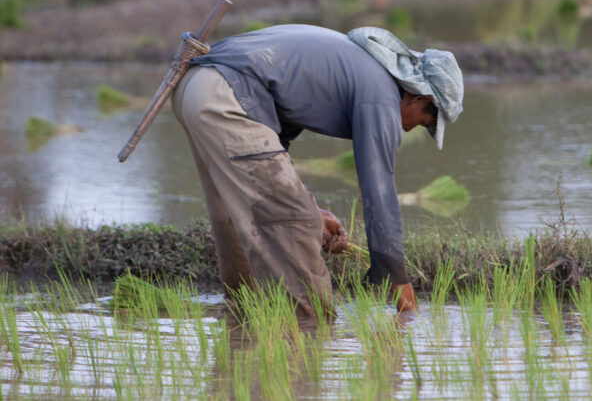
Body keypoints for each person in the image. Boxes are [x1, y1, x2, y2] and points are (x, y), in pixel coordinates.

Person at [171, 24, 463, 316]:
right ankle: (311, 334)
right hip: (228, 96)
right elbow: (380, 192)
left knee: (235, 212)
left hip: (193, 87)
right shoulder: (381, 95)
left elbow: (273, 153)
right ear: (421, 98)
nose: (410, 128)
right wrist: (399, 281)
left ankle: (243, 322)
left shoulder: (352, 66)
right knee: (292, 228)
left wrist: (312, 214)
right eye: (424, 122)